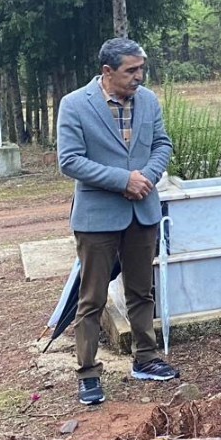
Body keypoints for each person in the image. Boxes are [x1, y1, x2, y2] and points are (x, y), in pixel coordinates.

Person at [57, 37, 180, 406]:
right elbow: (70, 160)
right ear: (107, 71)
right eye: (131, 70)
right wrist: (122, 180)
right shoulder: (75, 105)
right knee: (91, 298)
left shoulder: (149, 101)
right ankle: (88, 373)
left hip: (142, 212)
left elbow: (163, 144)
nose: (139, 77)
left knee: (142, 292)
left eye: (142, 68)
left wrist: (146, 176)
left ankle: (146, 358)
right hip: (98, 218)